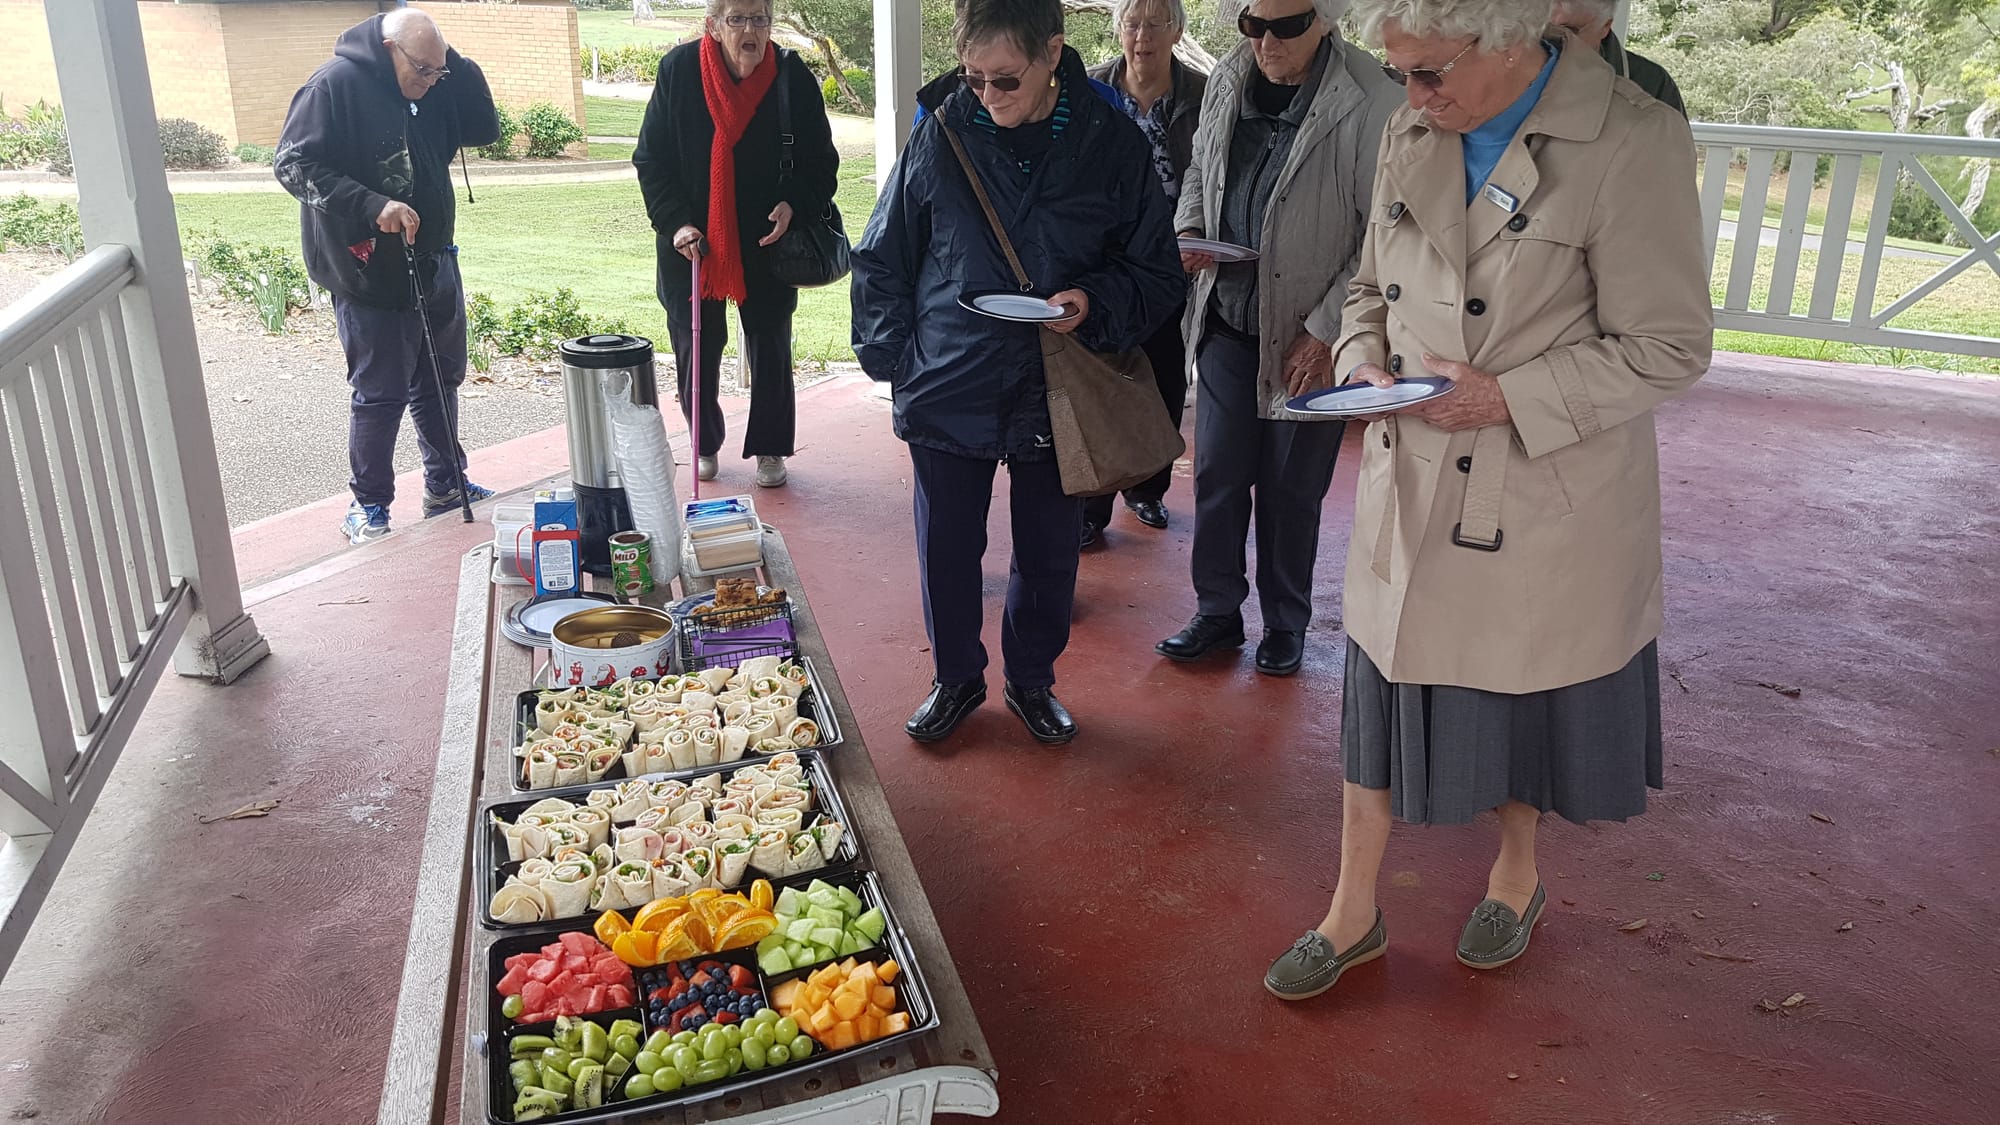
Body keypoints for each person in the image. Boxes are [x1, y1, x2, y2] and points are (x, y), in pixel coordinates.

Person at [1261, 0, 1712, 1002]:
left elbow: (1668, 347)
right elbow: (1367, 290)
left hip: (1538, 483)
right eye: (1403, 74)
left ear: (1509, 41)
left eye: (1429, 73)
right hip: (1411, 471)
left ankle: (1515, 877)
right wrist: (1360, 362)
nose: (1412, 95)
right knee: (1376, 693)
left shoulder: (1631, 137)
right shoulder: (1410, 125)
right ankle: (1352, 909)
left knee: (1523, 688)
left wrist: (1505, 398)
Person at [851, 0, 1184, 746]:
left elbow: (1158, 275)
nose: (987, 97)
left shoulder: (1111, 141)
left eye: (1005, 80)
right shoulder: (942, 128)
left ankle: (1032, 680)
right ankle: (956, 677)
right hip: (949, 374)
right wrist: (895, 361)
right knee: (946, 545)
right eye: (973, 79)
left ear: (1054, 54)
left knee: (1048, 551)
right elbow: (883, 256)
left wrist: (1093, 303)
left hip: (1056, 379)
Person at [1154, 0, 1399, 677]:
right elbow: (1200, 172)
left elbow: (1381, 237)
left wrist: (1325, 330)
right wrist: (1191, 230)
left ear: (1325, 20)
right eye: (1252, 24)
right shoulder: (1230, 75)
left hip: (1306, 328)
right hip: (1229, 316)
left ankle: (1286, 621)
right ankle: (1217, 611)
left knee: (1293, 490)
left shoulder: (1371, 99)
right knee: (1217, 476)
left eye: (1285, 26)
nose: (1266, 41)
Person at [276, 8, 501, 545]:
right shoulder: (333, 86)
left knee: (440, 379)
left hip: (434, 256)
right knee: (380, 392)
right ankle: (368, 504)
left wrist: (454, 67)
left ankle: (446, 484)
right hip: (366, 268)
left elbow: (484, 129)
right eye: (421, 70)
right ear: (388, 48)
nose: (428, 83)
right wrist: (371, 203)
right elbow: (293, 166)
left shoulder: (433, 82)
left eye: (435, 73)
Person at [633, 0, 838, 489]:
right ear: (714, 24)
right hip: (693, 242)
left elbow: (821, 164)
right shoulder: (679, 71)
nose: (751, 30)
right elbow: (651, 158)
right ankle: (703, 442)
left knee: (770, 343)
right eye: (738, 19)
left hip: (769, 241)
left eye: (761, 18)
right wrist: (676, 223)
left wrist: (795, 205)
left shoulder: (792, 77)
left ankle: (770, 447)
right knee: (695, 342)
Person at [1078, 0, 1209, 546]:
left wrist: (1192, 234)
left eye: (1156, 24)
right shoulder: (1090, 88)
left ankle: (1148, 487)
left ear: (1176, 31)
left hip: (1170, 259)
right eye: (1133, 23)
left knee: (1163, 373)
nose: (1143, 35)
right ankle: (1092, 504)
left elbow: (1211, 173)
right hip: (1104, 262)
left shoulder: (1202, 94)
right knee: (1101, 379)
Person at [1550, 0, 1684, 117]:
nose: (1547, 40)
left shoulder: (1652, 83)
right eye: (1539, 27)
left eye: (1568, 31)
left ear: (1605, 27)